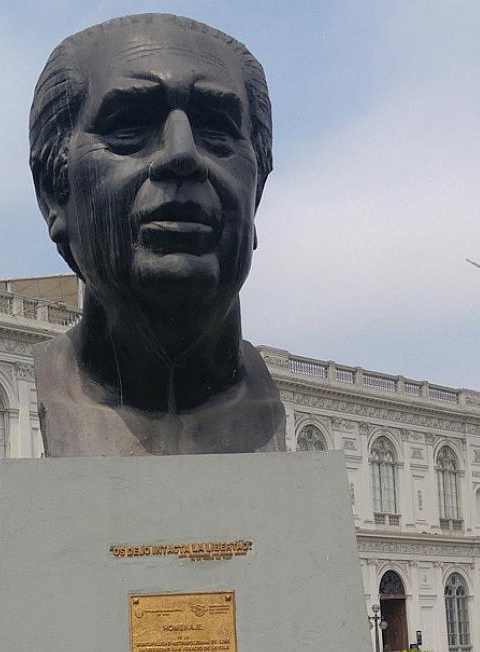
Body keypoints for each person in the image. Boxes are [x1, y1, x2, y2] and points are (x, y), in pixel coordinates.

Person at [28, 14, 288, 457]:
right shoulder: (51, 387)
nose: (181, 154)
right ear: (55, 193)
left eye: (216, 130)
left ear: (257, 188)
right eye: (129, 127)